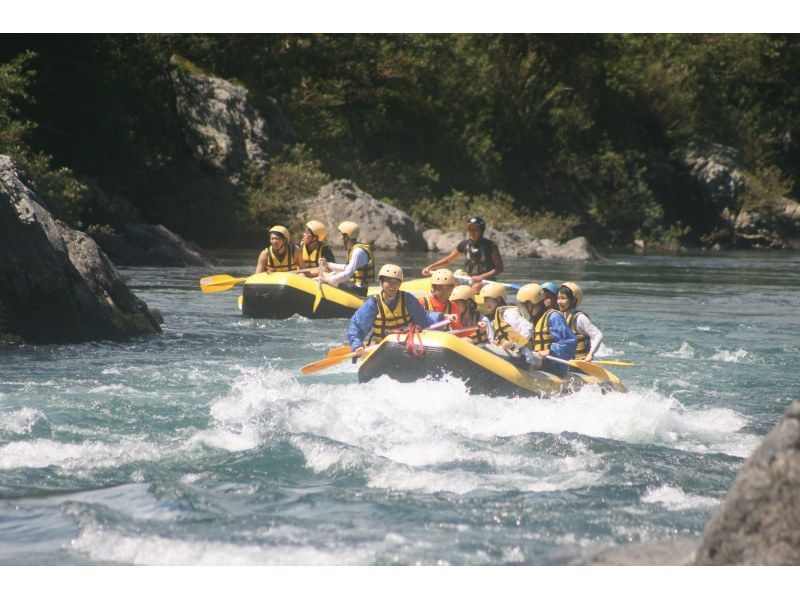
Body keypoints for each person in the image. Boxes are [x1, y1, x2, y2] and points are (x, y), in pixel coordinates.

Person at [348, 264, 459, 356]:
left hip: (406, 345)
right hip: (383, 347)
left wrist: (443, 317)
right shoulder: (373, 303)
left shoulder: (407, 299)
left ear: (400, 283)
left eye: (396, 282)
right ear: (381, 282)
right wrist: (357, 345)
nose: (393, 285)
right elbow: (357, 326)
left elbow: (423, 317)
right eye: (389, 281)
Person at [421, 216, 503, 293]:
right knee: (449, 280)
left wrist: (481, 277)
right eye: (470, 229)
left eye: (475, 229)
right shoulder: (464, 244)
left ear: (481, 231)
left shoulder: (491, 246)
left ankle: (468, 296)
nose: (472, 232)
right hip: (469, 279)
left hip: (486, 281)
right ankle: (461, 294)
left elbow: (499, 268)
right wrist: (430, 267)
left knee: (476, 287)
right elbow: (449, 259)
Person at [516, 283, 577, 377]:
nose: (524, 309)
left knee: (522, 359)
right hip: (541, 363)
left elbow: (570, 341)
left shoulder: (554, 317)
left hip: (555, 365)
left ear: (531, 304)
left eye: (525, 305)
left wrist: (551, 351)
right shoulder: (533, 320)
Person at [479, 283, 537, 367]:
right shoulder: (496, 318)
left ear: (498, 299)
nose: (485, 303)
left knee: (484, 348)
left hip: (522, 357)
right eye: (484, 300)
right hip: (512, 354)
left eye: (488, 299)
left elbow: (528, 328)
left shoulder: (509, 312)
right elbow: (507, 334)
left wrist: (513, 343)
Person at [318, 221, 374, 297]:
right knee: (324, 274)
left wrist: (329, 281)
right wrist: (328, 264)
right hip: (354, 285)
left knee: (323, 278)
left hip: (359, 290)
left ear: (347, 236)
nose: (340, 238)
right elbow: (348, 267)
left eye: (341, 235)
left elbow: (348, 274)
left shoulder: (358, 252)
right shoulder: (355, 249)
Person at [557, 281, 604, 362]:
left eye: (563, 298)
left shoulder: (579, 317)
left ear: (573, 301)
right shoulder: (559, 316)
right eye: (558, 298)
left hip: (580, 361)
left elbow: (598, 335)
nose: (559, 302)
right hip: (565, 361)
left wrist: (590, 354)